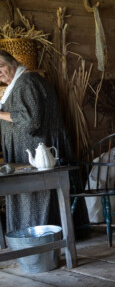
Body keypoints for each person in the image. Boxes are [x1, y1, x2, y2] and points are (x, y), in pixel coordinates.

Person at [0, 49, 71, 233]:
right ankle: (36, 234)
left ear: (13, 63)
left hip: (36, 150)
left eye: (1, 66)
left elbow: (31, 121)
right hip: (30, 149)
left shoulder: (27, 83)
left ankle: (40, 234)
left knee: (36, 195)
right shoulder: (20, 83)